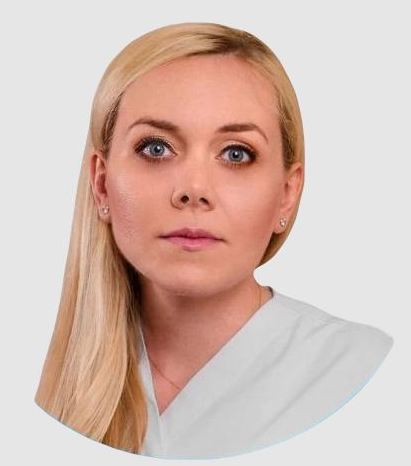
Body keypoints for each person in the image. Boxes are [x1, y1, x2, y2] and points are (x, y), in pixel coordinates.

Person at [34, 22, 394, 460]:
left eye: (236, 153)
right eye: (156, 148)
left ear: (287, 193)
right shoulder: (45, 391)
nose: (194, 189)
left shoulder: (368, 374)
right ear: (101, 183)